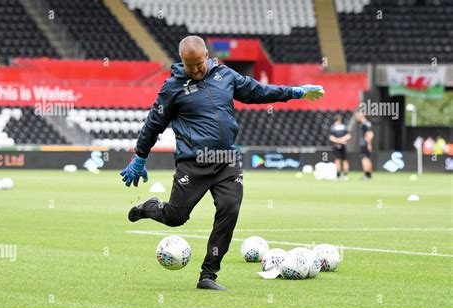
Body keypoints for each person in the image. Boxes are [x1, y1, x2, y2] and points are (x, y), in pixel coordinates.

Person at [119, 35, 325, 290]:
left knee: (230, 208)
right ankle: (149, 207)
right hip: (193, 163)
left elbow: (258, 92)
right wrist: (139, 157)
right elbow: (153, 124)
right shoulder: (172, 87)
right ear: (182, 61)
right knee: (175, 217)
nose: (194, 70)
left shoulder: (225, 75)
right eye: (188, 65)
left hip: (226, 161)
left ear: (207, 55)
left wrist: (295, 92)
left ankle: (208, 275)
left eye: (198, 64)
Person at [329, 114, 351, 180]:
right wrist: (341, 140)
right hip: (340, 145)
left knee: (342, 160)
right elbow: (348, 136)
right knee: (339, 160)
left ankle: (343, 175)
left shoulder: (334, 127)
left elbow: (331, 137)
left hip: (338, 145)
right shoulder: (343, 127)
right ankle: (340, 175)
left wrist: (338, 140)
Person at [355, 111, 374, 180]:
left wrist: (369, 144)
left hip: (364, 144)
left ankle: (366, 174)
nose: (356, 118)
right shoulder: (365, 123)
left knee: (364, 159)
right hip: (365, 144)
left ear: (361, 116)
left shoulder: (365, 124)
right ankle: (369, 174)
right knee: (368, 158)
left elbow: (370, 134)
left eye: (357, 116)